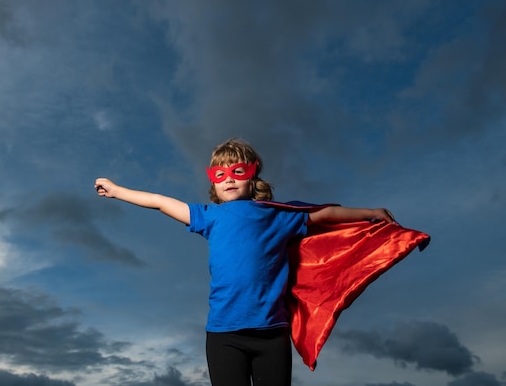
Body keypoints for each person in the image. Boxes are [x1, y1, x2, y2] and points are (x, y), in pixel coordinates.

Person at [95, 138, 397, 386]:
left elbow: (327, 213)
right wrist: (118, 191)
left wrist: (368, 211)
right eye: (219, 174)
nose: (228, 180)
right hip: (224, 335)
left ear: (252, 175)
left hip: (271, 334)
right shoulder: (208, 216)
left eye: (236, 172)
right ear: (212, 180)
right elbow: (161, 202)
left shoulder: (278, 215)